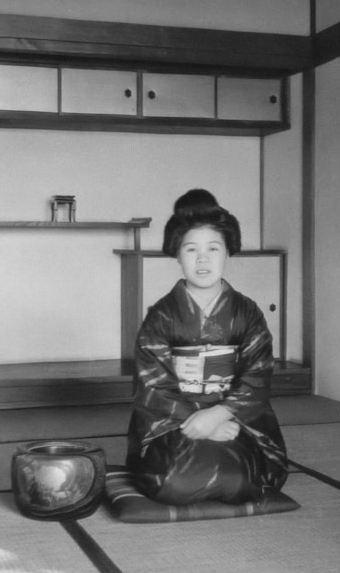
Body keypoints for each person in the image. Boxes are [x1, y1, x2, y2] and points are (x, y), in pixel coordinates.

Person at [126, 188, 288, 505]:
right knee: (172, 481)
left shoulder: (247, 313)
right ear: (176, 254)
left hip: (235, 420)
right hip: (175, 423)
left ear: (228, 252)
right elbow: (152, 385)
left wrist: (218, 415)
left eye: (213, 248)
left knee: (240, 478)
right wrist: (199, 422)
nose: (203, 259)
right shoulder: (161, 316)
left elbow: (257, 376)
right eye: (191, 249)